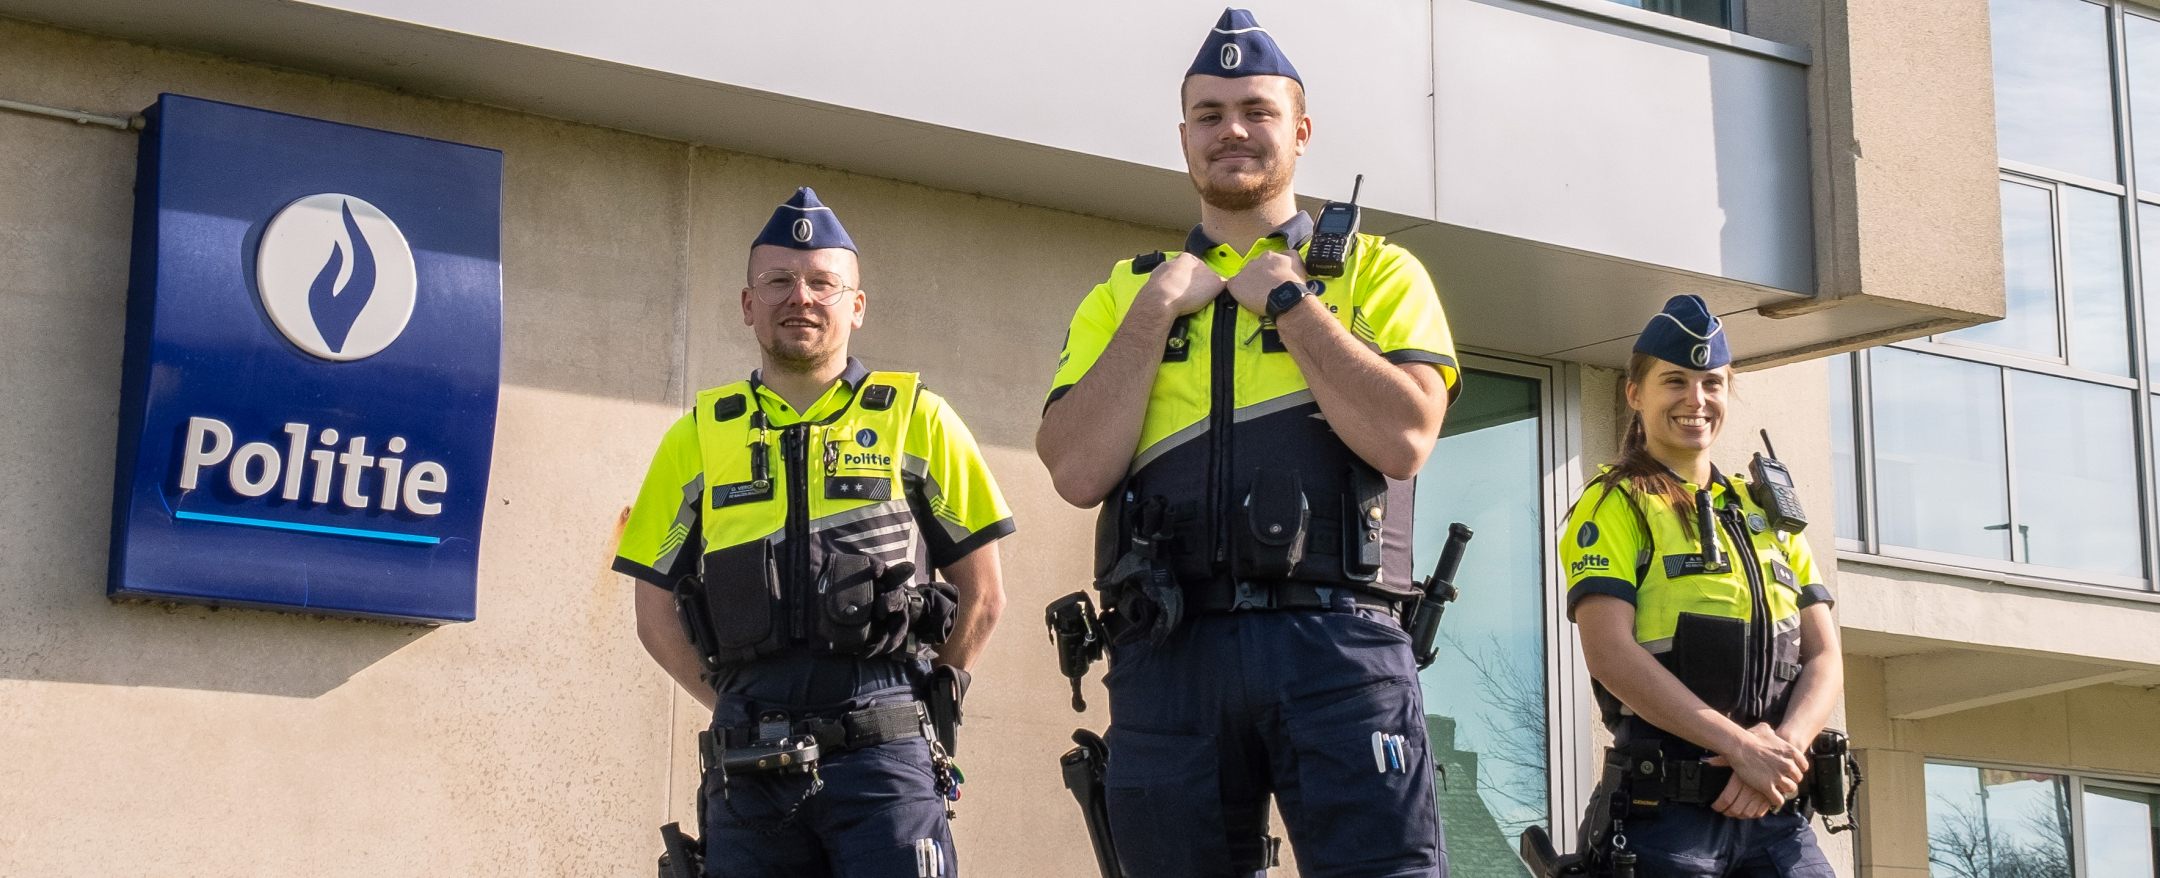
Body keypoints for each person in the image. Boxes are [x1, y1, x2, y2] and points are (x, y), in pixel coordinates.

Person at [1035, 10, 1459, 877]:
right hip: (1170, 649)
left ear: (1300, 131)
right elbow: (1075, 471)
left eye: (1258, 111)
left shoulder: (1378, 271)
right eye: (1210, 114)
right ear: (1184, 138)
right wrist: (1156, 311)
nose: (1232, 130)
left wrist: (1293, 305)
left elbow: (1406, 435)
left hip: (1339, 645)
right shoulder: (1124, 294)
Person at [615, 187, 1014, 878]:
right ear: (748, 304)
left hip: (884, 756)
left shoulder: (919, 417)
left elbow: (983, 595)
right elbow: (654, 613)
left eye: (822, 282)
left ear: (855, 306)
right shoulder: (699, 435)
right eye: (778, 281)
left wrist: (927, 705)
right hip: (750, 762)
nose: (799, 296)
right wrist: (734, 705)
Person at [1555, 294, 1841, 876]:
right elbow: (1609, 653)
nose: (1696, 400)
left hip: (1774, 812)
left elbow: (1825, 655)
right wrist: (1740, 747)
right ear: (1635, 394)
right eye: (1675, 382)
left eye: (1712, 383)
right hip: (1666, 817)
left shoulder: (1767, 513)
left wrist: (1778, 757)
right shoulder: (1613, 504)